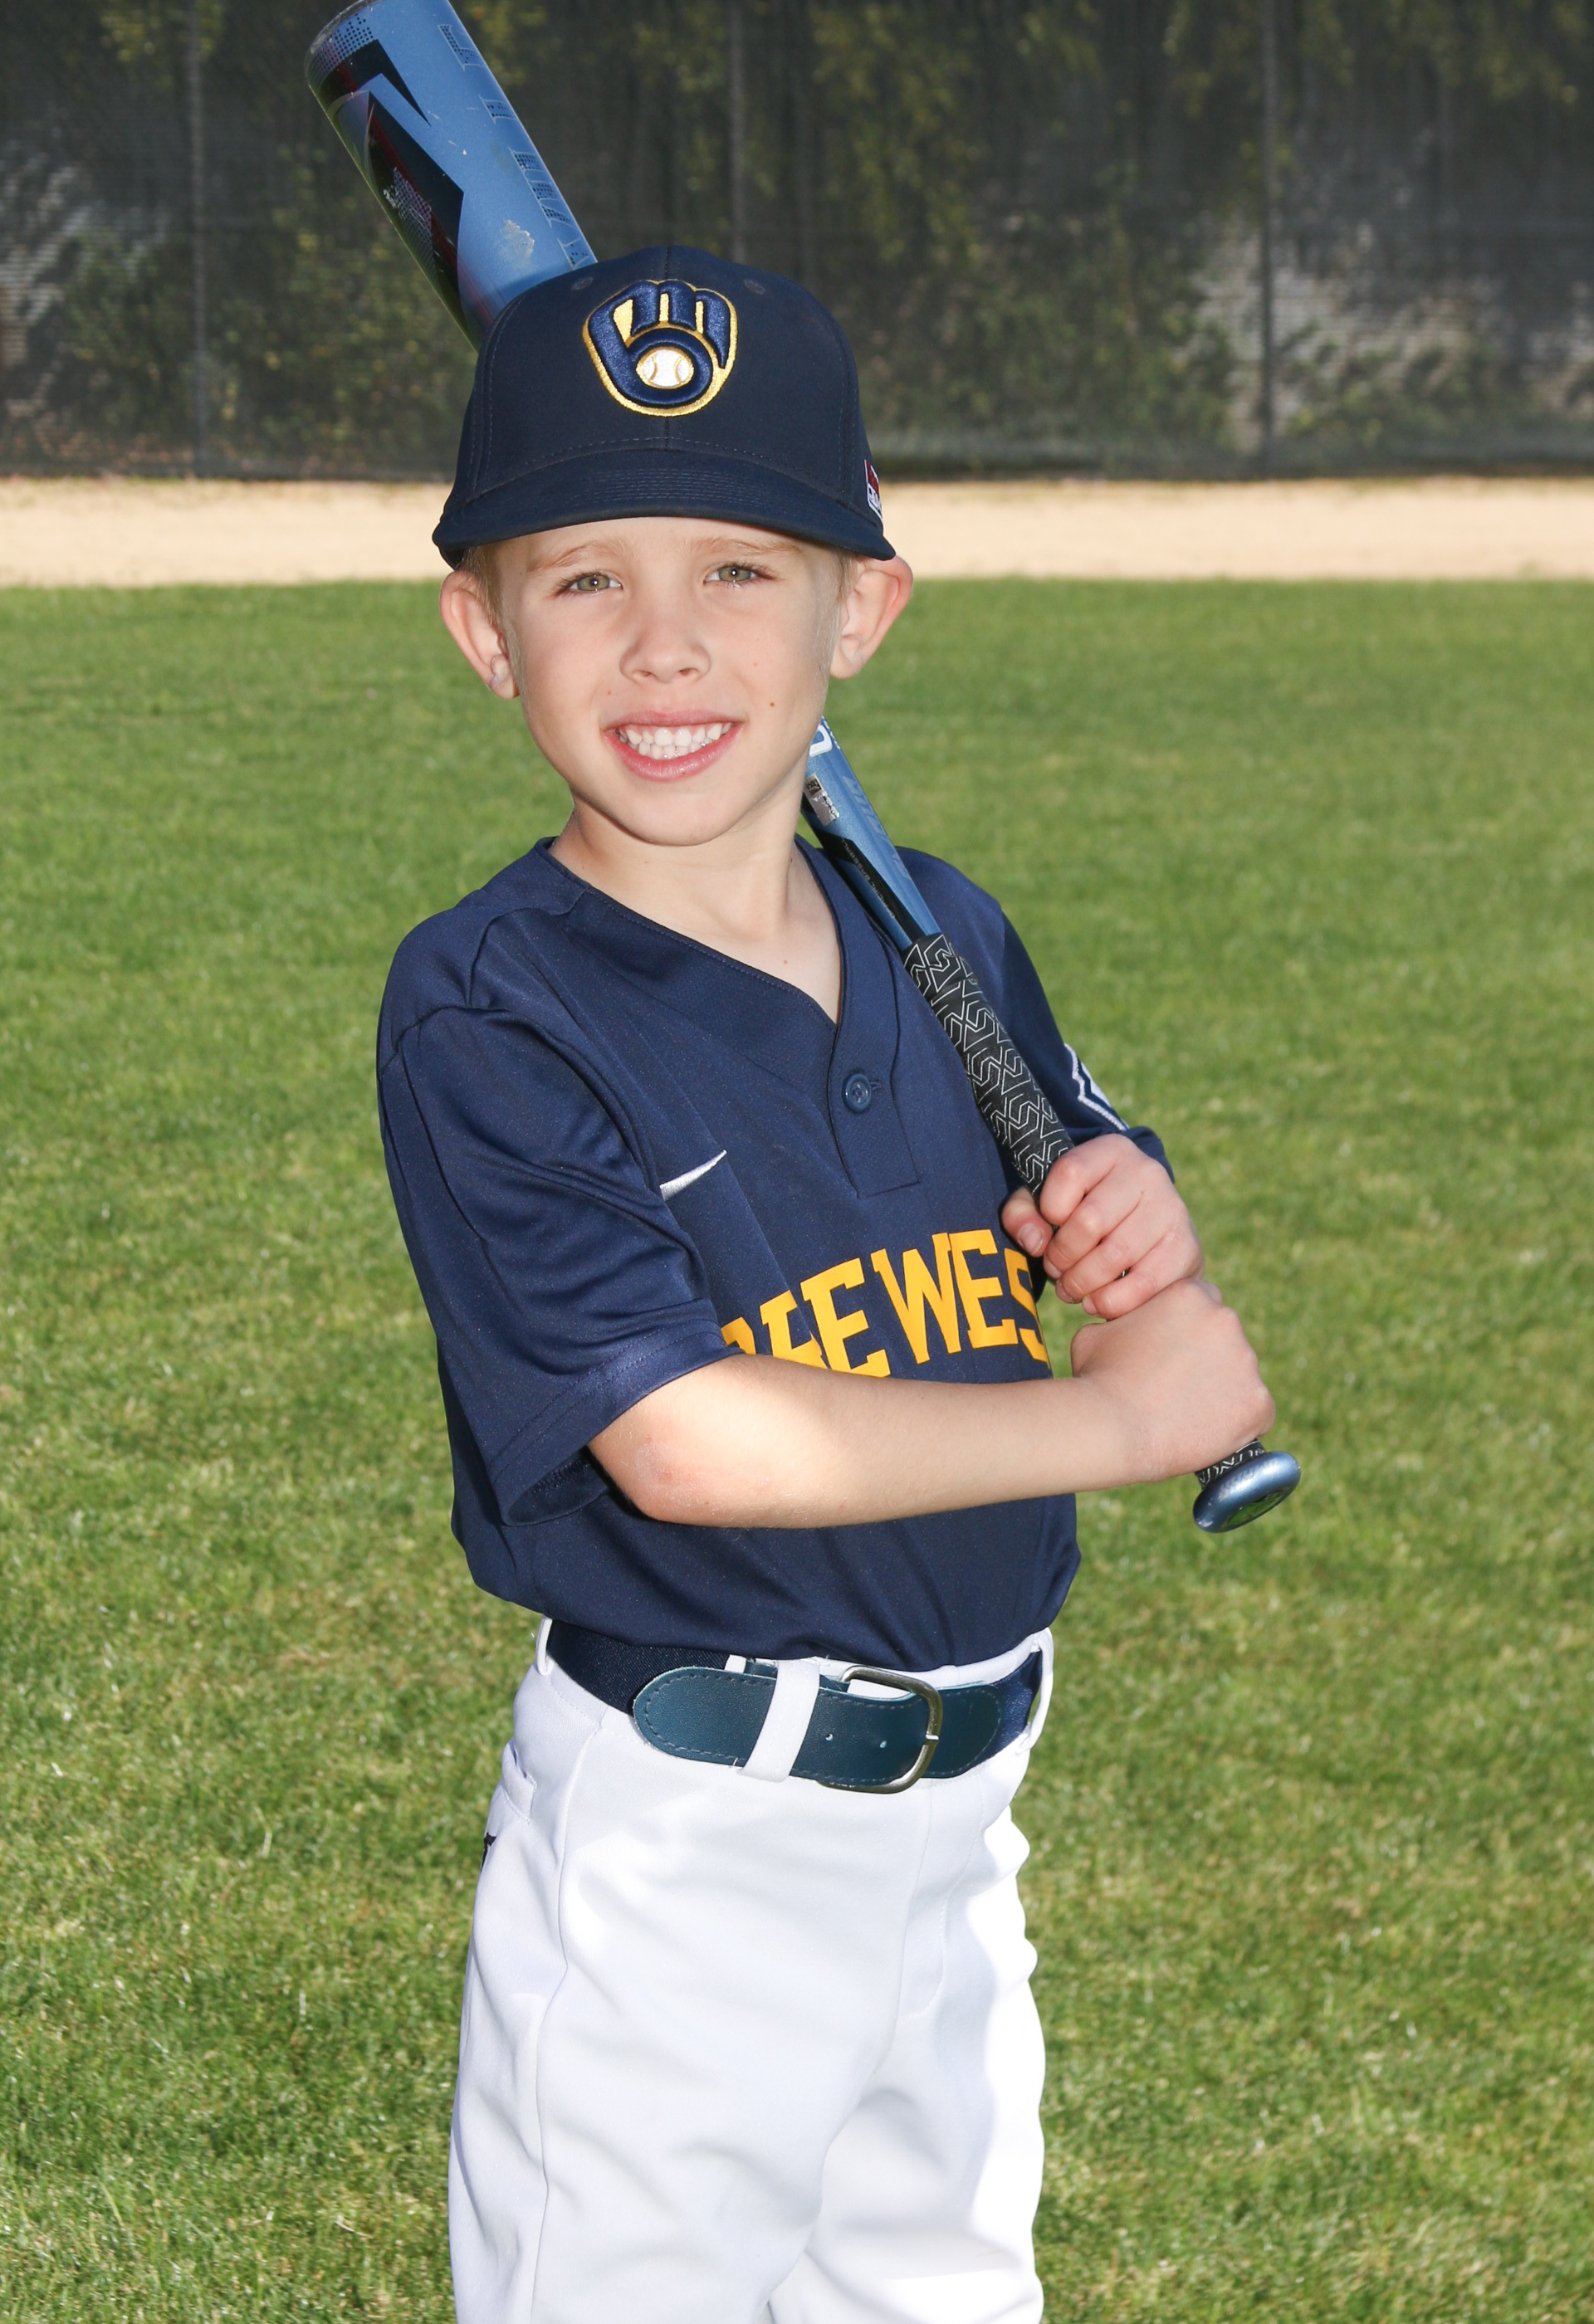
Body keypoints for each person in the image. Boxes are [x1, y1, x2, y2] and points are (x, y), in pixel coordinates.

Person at [377, 244, 1273, 2324]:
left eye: (740, 569)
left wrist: (1134, 1223)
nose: (664, 641)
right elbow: (685, 1439)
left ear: (858, 610)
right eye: (582, 575)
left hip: (959, 1832)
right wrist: (1113, 1419)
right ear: (484, 632)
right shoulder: (491, 1006)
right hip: (687, 1863)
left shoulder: (937, 928)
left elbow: (1097, 1206)